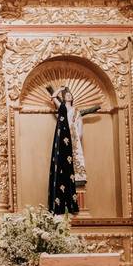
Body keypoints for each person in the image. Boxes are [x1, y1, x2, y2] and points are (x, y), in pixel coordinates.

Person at [46, 85, 99, 214]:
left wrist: (77, 136)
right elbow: (53, 97)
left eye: (70, 95)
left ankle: (74, 200)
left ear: (73, 98)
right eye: (66, 96)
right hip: (64, 137)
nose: (69, 96)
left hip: (73, 139)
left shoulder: (76, 111)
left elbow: (79, 126)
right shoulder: (62, 107)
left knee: (76, 162)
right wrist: (60, 89)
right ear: (64, 98)